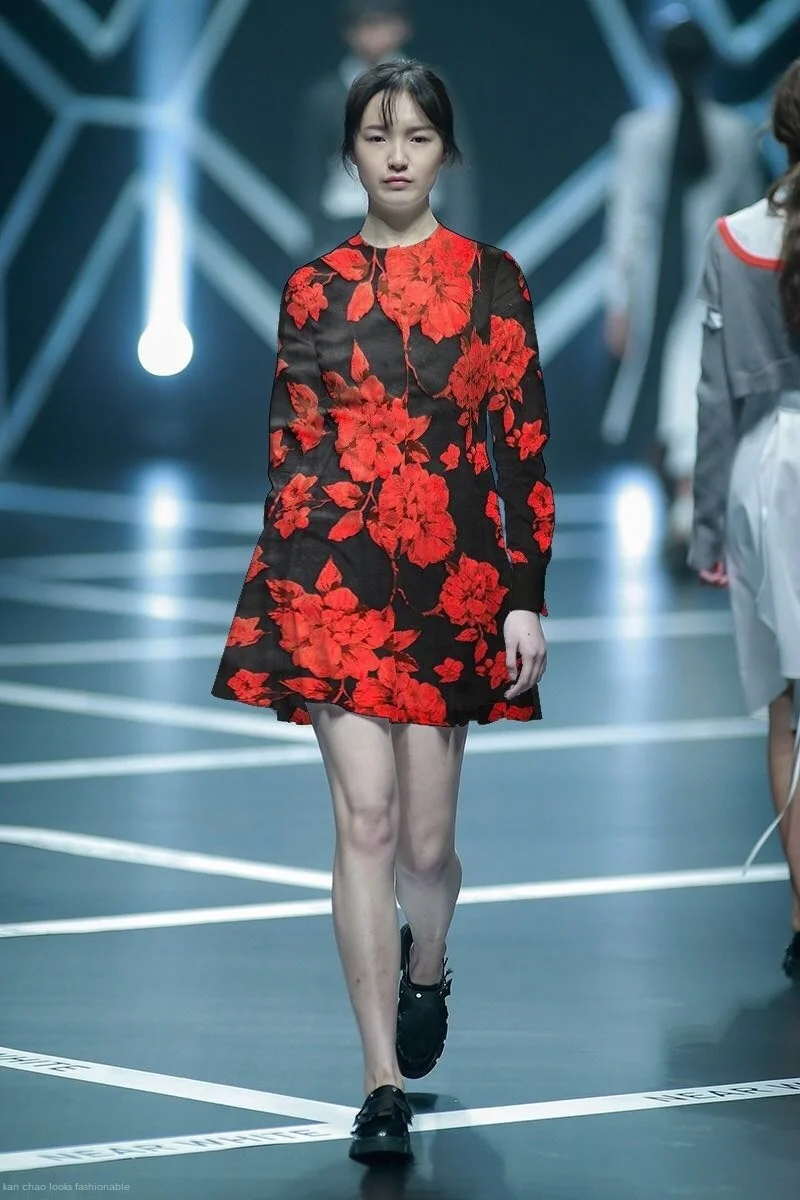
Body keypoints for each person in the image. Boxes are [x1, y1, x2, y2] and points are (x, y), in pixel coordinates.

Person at [212, 60, 553, 1163]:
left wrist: (525, 599)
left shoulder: (492, 281)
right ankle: (379, 1083)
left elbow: (522, 449)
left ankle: (427, 963)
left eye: (416, 135)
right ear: (349, 151)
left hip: (453, 581)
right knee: (362, 821)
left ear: (445, 150)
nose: (396, 154)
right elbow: (289, 444)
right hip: (335, 581)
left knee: (426, 844)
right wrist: (282, 591)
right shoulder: (313, 289)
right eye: (376, 134)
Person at [688, 58, 800, 983]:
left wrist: (705, 529)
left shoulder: (733, 236)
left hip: (768, 469)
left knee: (787, 707)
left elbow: (715, 397)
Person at [602, 10, 762, 561]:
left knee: (679, 394)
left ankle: (687, 511)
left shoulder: (644, 132)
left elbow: (626, 224)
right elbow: (749, 220)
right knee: (685, 394)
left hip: (677, 283)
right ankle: (686, 510)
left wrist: (618, 301)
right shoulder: (731, 132)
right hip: (699, 281)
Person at [296, 0, 478, 255]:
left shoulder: (429, 86)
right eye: (366, 25)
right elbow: (312, 174)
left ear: (403, 27)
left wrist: (460, 237)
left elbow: (455, 163)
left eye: (384, 23)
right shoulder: (325, 97)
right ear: (348, 32)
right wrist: (317, 243)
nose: (375, 34)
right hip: (348, 224)